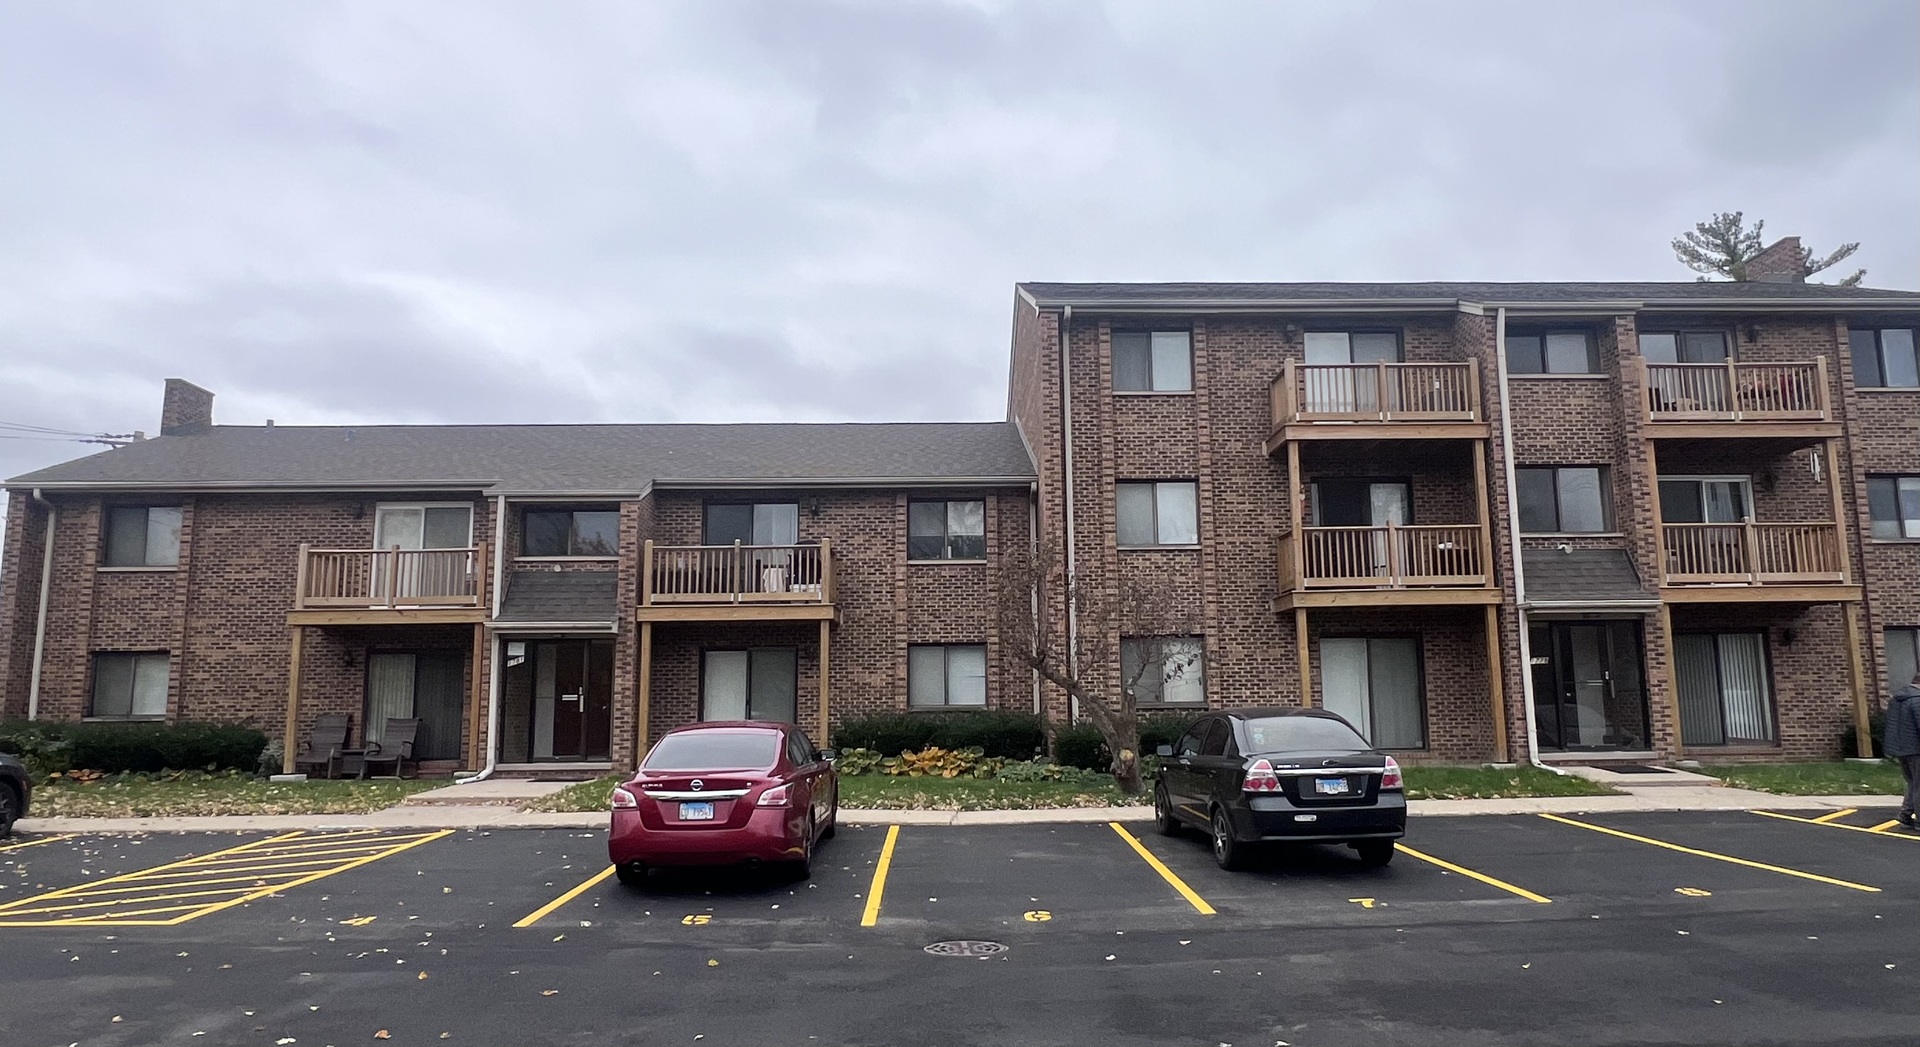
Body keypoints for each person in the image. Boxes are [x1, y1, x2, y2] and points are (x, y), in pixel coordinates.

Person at [1883, 674, 1920, 828]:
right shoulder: (1917, 700)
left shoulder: (1896, 700)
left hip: (1901, 749)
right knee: (1919, 784)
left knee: (1912, 782)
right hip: (1916, 749)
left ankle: (1905, 813)